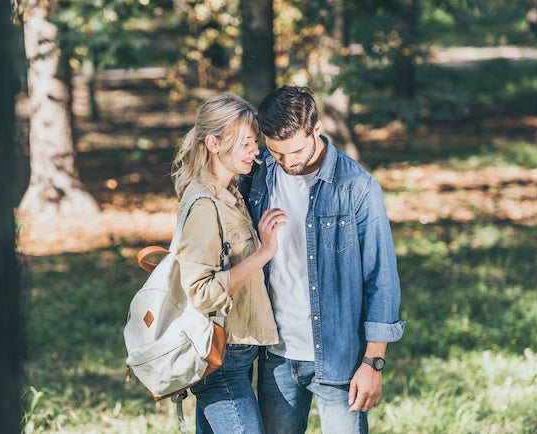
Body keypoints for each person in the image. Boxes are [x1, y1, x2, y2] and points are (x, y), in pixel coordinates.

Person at [238, 85, 405, 434]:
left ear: (317, 129)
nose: (287, 162)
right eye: (276, 152)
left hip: (340, 359)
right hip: (276, 356)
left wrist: (373, 362)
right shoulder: (259, 175)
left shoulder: (356, 187)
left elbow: (381, 279)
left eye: (295, 151)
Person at [171, 94, 287, 434]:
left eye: (256, 142)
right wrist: (264, 252)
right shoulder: (205, 205)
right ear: (213, 142)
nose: (255, 151)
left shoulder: (231, 195)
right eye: (246, 143)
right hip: (220, 360)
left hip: (237, 353)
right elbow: (201, 291)